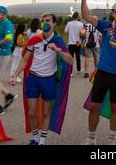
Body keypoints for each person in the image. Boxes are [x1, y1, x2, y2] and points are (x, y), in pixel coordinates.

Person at [81, 0, 116, 145]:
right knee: (94, 106)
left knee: (114, 107)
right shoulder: (105, 26)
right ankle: (91, 138)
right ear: (113, 13)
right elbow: (86, 15)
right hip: (103, 72)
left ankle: (111, 139)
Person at [11, 13, 73, 145]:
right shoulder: (34, 39)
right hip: (33, 78)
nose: (45, 22)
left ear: (54, 24)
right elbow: (24, 59)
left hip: (49, 80)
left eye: (48, 20)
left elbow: (70, 60)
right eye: (43, 21)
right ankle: (35, 137)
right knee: (32, 112)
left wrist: (57, 50)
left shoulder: (58, 40)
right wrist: (15, 75)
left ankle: (42, 140)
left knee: (46, 112)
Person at [0, 6, 17, 114]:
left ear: (3, 14)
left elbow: (9, 37)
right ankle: (8, 96)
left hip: (3, 53)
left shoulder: (7, 23)